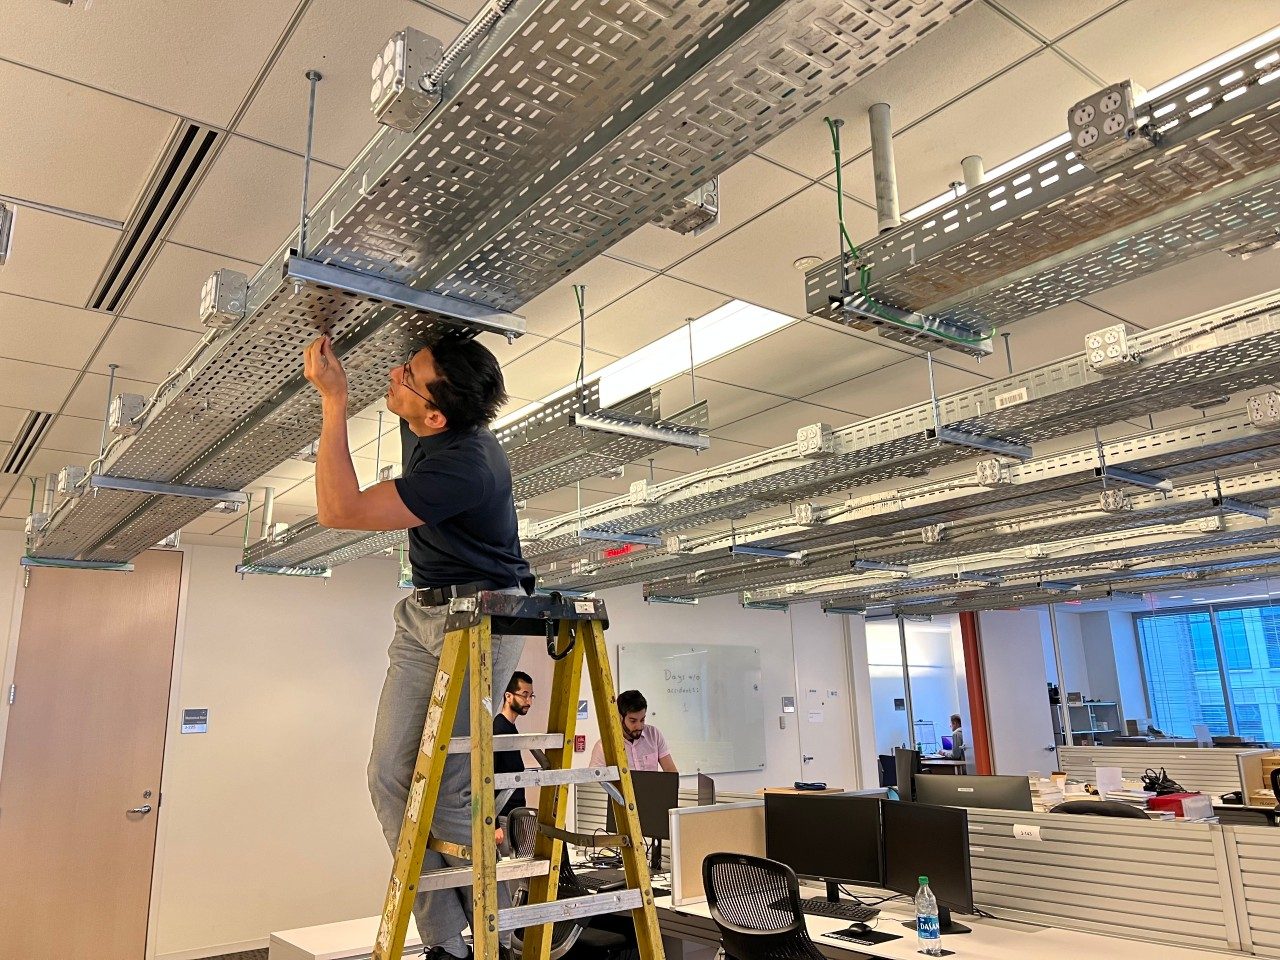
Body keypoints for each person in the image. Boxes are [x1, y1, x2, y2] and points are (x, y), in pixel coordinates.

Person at [303, 333, 532, 960]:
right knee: (388, 775)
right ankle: (445, 943)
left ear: (435, 415)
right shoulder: (426, 415)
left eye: (408, 374)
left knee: (454, 790)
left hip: (484, 617)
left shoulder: (466, 464)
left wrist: (334, 400)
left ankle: (497, 937)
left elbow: (338, 510)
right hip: (423, 613)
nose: (396, 372)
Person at [589, 689, 677, 773]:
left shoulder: (654, 734)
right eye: (633, 721)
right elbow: (595, 783)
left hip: (652, 789)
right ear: (620, 717)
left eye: (642, 719)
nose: (639, 726)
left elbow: (671, 771)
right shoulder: (604, 747)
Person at [494, 671, 534, 821]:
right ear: (508, 696)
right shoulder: (499, 728)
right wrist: (494, 823)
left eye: (531, 696)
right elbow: (488, 775)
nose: (529, 701)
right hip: (503, 813)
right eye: (524, 695)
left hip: (514, 812)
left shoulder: (510, 727)